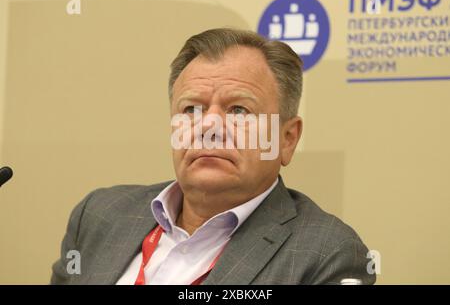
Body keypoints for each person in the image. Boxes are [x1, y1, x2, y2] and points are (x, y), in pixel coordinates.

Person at [51, 28, 376, 285]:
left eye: (238, 110)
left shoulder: (327, 254)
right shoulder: (99, 215)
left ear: (287, 139)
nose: (209, 125)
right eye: (191, 109)